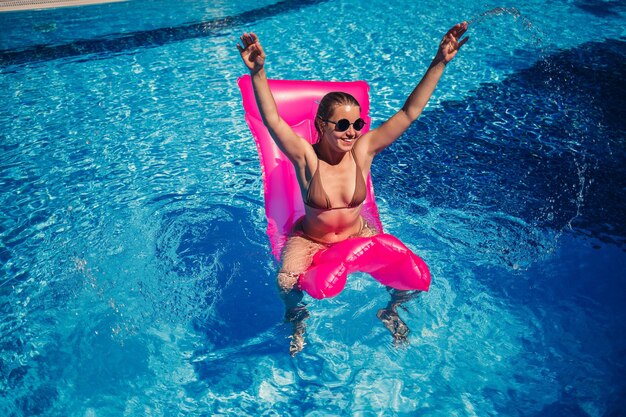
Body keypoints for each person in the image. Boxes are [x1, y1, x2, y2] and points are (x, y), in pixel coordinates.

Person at [237, 22, 468, 356]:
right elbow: (272, 120)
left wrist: (439, 62)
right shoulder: (306, 157)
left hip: (358, 233)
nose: (352, 132)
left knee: (411, 280)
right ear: (321, 125)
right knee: (285, 282)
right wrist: (259, 72)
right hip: (312, 240)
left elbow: (409, 112)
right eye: (342, 124)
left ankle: (389, 310)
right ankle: (297, 318)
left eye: (357, 124)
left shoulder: (364, 151)